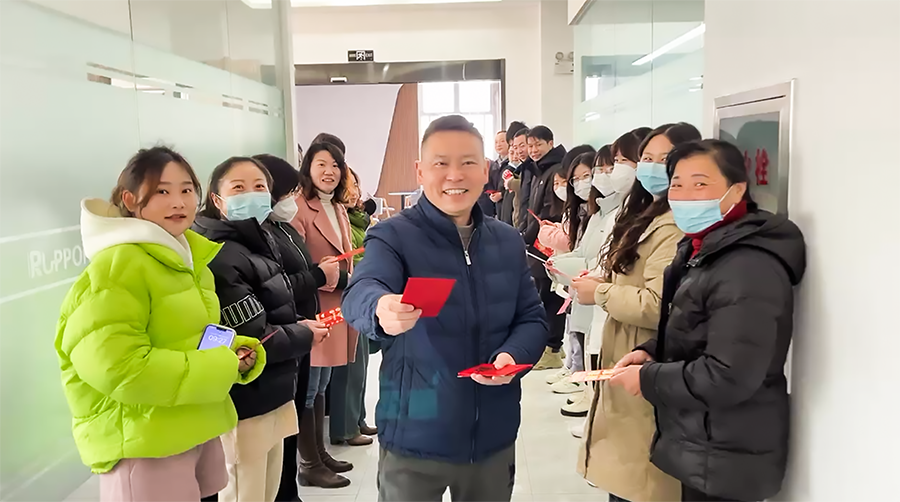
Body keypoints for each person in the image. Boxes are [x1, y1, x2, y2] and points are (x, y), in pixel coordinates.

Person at [342, 115, 549, 502]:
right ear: (420, 171)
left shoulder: (506, 241)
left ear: (485, 170)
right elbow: (360, 291)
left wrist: (513, 355)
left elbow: (532, 318)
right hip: (414, 434)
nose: (455, 175)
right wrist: (381, 306)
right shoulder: (393, 235)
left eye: (468, 162)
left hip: (493, 434)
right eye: (441, 163)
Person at [56, 146, 265, 502]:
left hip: (193, 429)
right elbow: (119, 367)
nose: (178, 202)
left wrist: (232, 350)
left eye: (186, 190)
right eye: (162, 192)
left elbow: (185, 338)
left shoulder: (185, 257)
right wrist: (219, 365)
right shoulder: (117, 267)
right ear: (130, 199)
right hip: (146, 443)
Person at [611, 139, 806, 502]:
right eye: (677, 185)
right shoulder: (703, 247)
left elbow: (729, 374)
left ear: (738, 190)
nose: (685, 196)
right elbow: (700, 327)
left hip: (730, 453)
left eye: (700, 184)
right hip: (707, 443)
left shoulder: (747, 266)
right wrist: (653, 351)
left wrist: (648, 379)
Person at [572, 124, 701, 502]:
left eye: (664, 159)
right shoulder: (644, 212)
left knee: (641, 474)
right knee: (626, 467)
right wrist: (605, 279)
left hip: (646, 354)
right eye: (647, 158)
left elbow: (660, 304)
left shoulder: (675, 224)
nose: (653, 167)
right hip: (626, 349)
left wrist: (602, 292)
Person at [193, 157, 327, 502]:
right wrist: (304, 333)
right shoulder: (221, 253)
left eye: (259, 187)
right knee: (246, 490)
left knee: (268, 490)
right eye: (238, 188)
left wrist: (297, 327)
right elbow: (252, 338)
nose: (251, 194)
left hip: (274, 389)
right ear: (217, 199)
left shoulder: (261, 240)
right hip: (246, 399)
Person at [248, 154, 344, 502]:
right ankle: (309, 463)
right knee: (299, 401)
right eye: (287, 193)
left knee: (314, 389)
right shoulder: (258, 236)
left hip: (303, 327)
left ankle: (314, 457)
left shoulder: (281, 229)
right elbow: (279, 284)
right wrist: (318, 275)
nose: (292, 200)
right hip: (283, 334)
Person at [290, 141, 359, 486]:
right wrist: (336, 278)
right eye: (321, 164)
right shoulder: (300, 208)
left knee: (322, 384)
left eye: (335, 165)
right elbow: (297, 263)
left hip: (338, 304)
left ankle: (319, 453)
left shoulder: (338, 206)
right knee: (310, 384)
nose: (329, 171)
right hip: (316, 304)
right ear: (308, 168)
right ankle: (309, 464)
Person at [328, 167, 379, 447]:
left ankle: (357, 419)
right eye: (348, 186)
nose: (353, 192)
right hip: (342, 293)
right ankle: (345, 427)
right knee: (348, 365)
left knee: (361, 362)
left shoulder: (355, 218)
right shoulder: (338, 216)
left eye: (356, 185)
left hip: (359, 292)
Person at [519, 125, 567, 371]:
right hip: (538, 241)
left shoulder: (555, 169)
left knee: (551, 296)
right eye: (530, 145)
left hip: (548, 242)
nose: (533, 149)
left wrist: (528, 235)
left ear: (550, 143)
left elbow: (549, 210)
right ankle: (551, 346)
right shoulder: (535, 168)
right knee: (544, 293)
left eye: (538, 144)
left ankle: (553, 349)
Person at [500, 124, 531, 226]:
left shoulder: (533, 167)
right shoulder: (520, 168)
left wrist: (511, 183)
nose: (518, 152)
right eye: (514, 147)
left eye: (522, 145)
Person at [477, 130, 508, 218]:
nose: (498, 144)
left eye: (502, 141)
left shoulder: (512, 164)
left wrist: (501, 194)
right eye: (496, 142)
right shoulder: (493, 164)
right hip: (489, 205)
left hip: (503, 207)